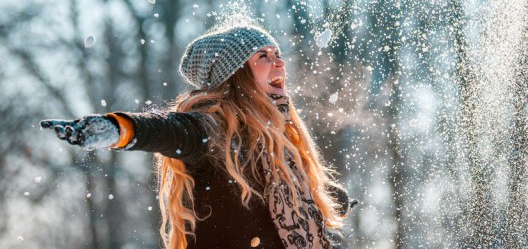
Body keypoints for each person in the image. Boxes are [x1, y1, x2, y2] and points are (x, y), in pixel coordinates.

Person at [40, 24, 358, 249]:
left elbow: (284, 193)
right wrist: (119, 129)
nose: (279, 62)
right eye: (263, 56)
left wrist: (327, 200)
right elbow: (169, 129)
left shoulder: (279, 141)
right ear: (237, 74)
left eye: (277, 53)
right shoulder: (215, 128)